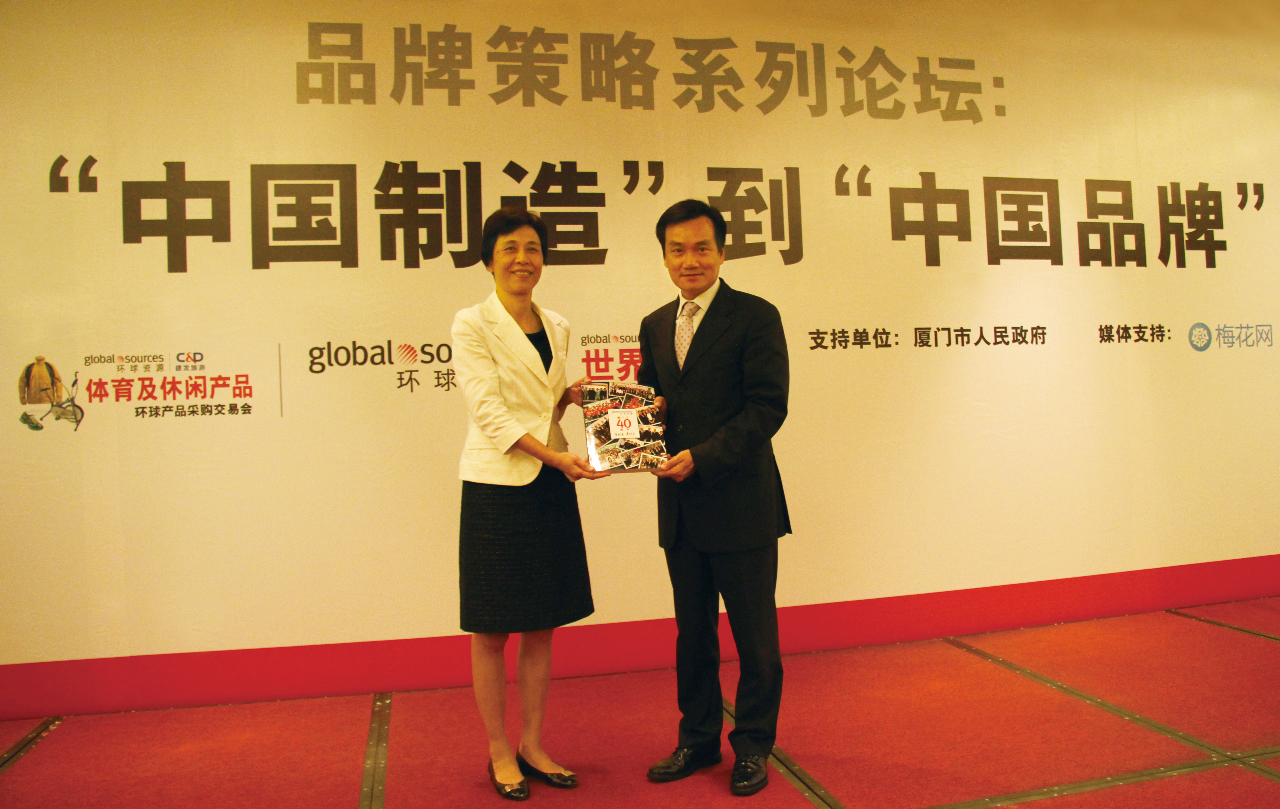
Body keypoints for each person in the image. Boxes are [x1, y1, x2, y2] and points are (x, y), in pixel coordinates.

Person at [451, 207, 609, 801]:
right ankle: (499, 749)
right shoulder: (471, 323)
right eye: (510, 248)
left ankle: (533, 744)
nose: (523, 259)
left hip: (549, 481)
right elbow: (490, 414)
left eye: (533, 249)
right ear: (489, 259)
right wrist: (557, 458)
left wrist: (574, 397)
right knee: (492, 628)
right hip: (497, 486)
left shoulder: (557, 324)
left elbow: (543, 403)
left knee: (543, 625)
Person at [637, 199, 790, 797]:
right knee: (692, 636)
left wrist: (704, 456)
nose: (690, 260)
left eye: (702, 248)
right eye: (677, 250)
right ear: (664, 258)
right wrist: (637, 421)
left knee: (755, 639)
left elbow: (767, 407)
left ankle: (752, 746)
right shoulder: (655, 323)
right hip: (679, 508)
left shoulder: (755, 316)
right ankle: (698, 738)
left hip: (741, 502)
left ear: (722, 252)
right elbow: (654, 398)